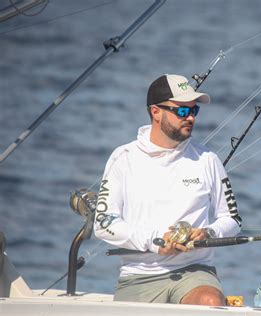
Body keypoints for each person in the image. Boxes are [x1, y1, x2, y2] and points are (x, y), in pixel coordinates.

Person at [94, 74, 242, 306]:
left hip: (194, 271)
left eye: (194, 111)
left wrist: (208, 233)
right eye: (182, 111)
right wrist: (154, 242)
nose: (190, 117)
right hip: (138, 277)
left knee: (210, 301)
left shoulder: (208, 159)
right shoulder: (123, 158)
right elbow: (104, 223)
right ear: (156, 112)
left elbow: (232, 219)